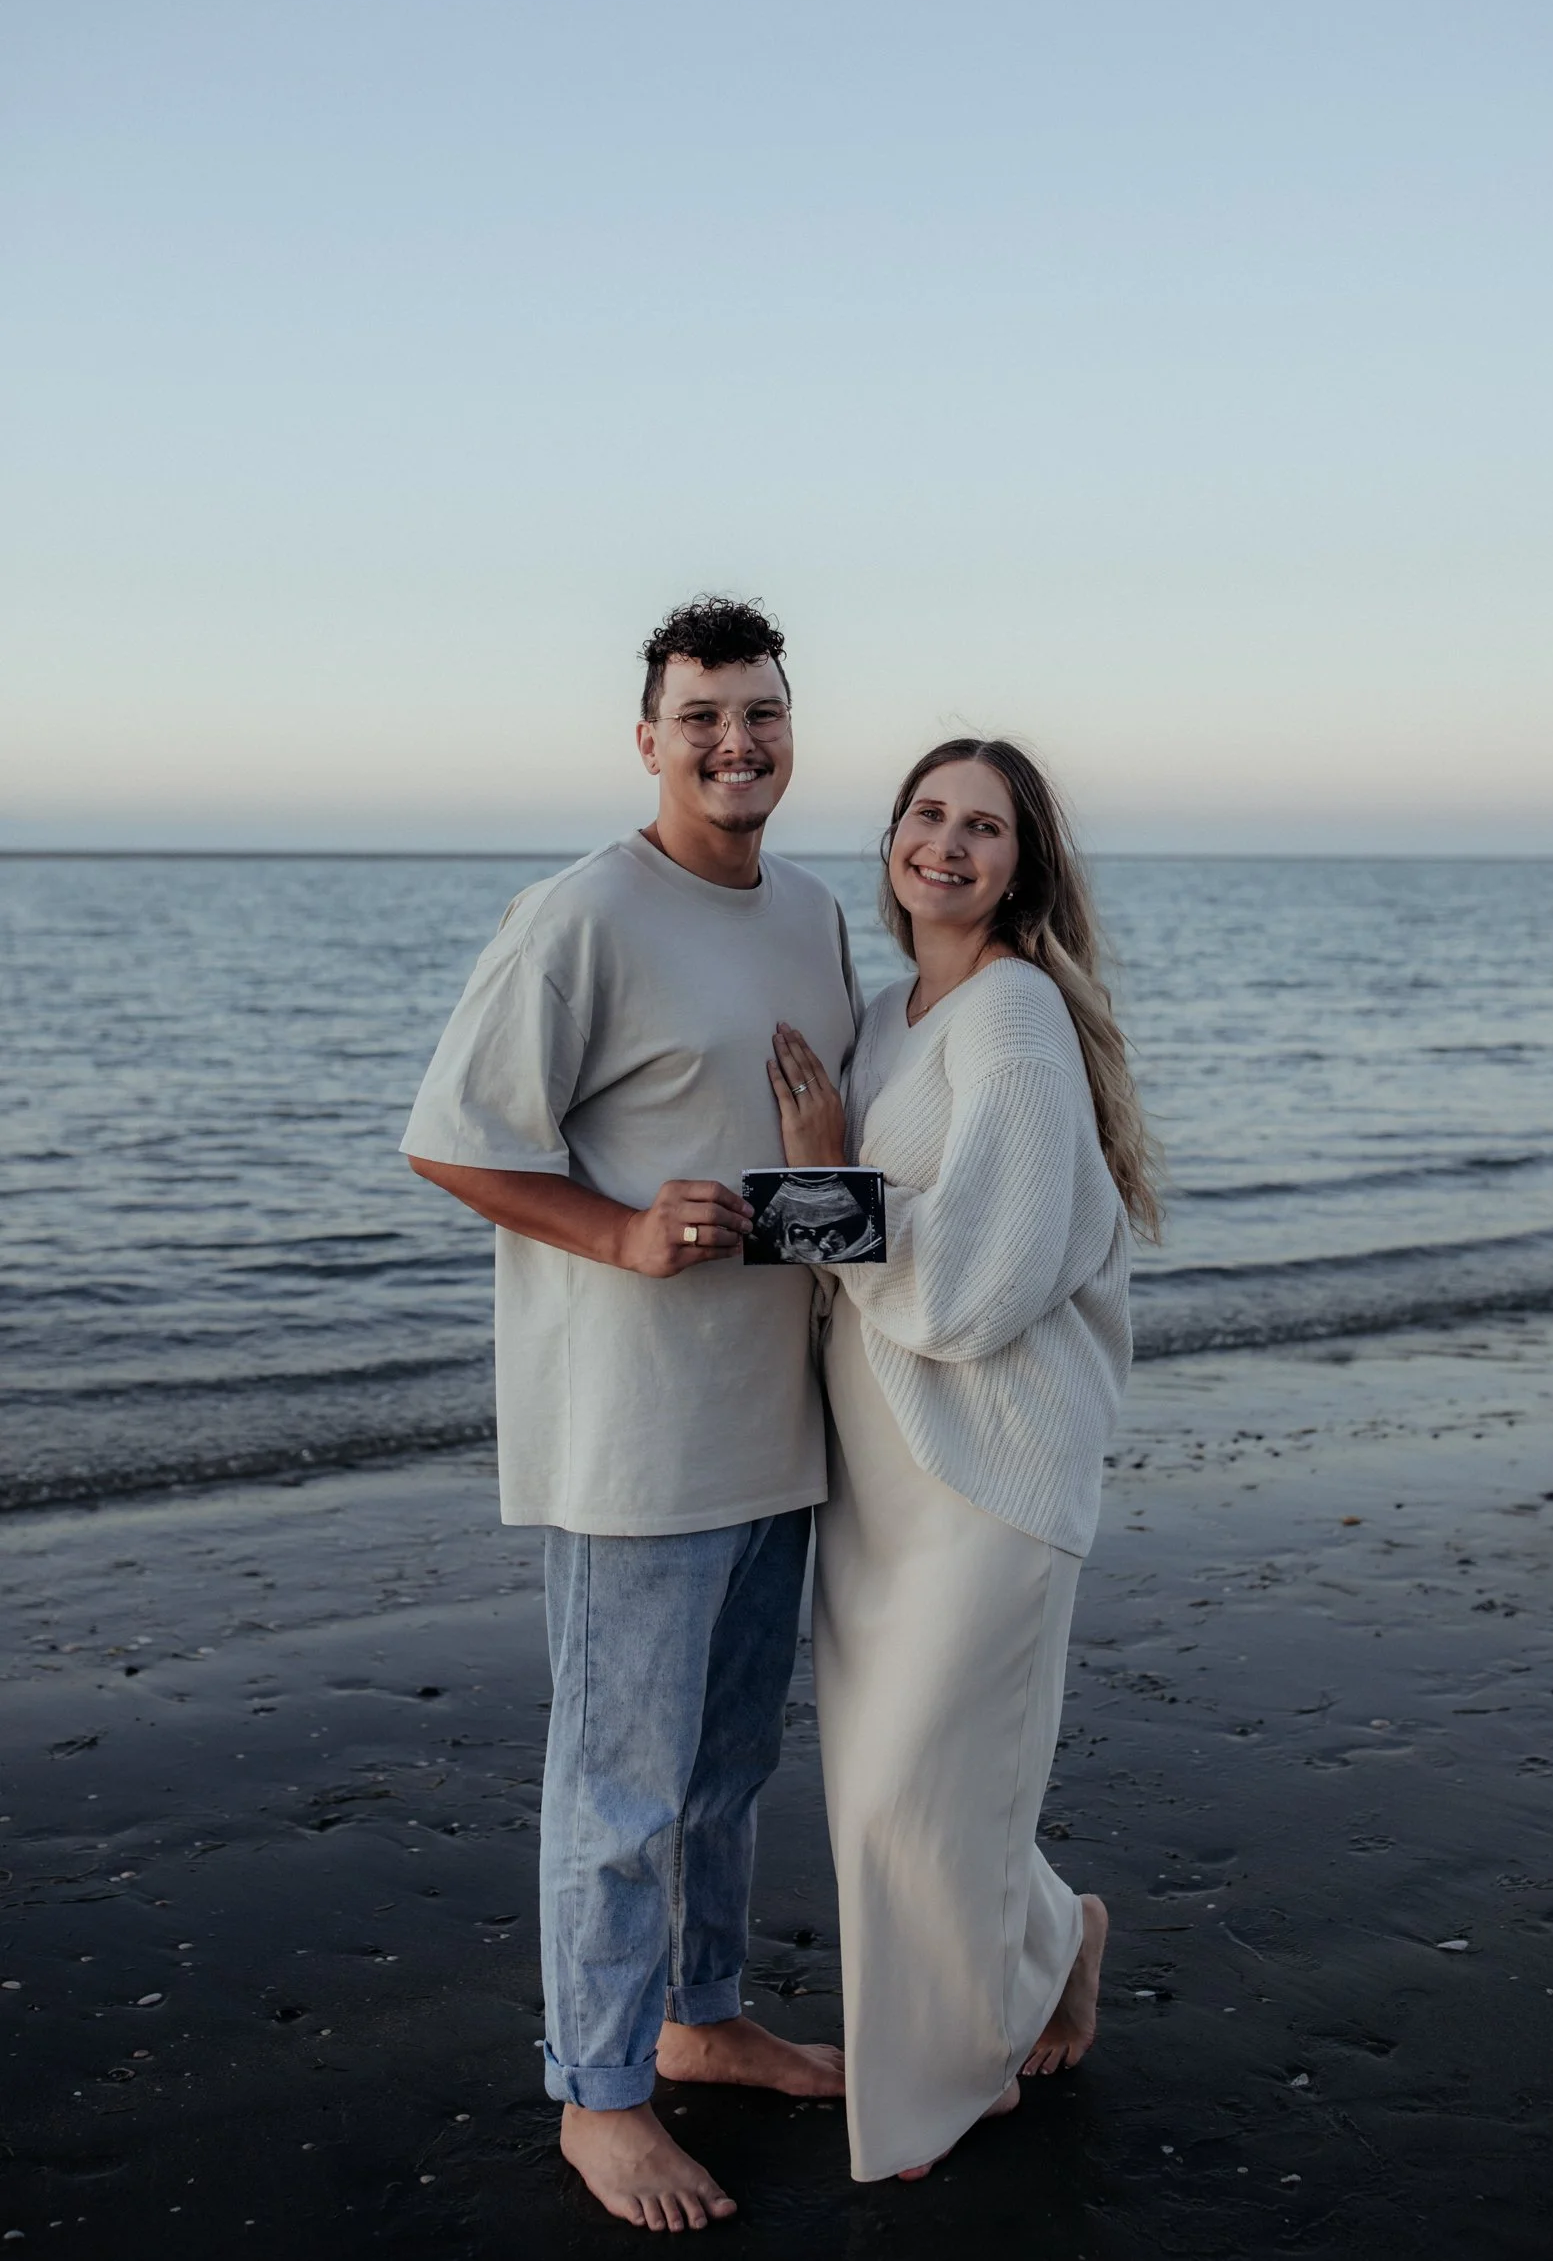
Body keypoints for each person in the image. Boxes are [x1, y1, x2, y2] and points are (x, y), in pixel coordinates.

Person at [402, 598, 859, 2231]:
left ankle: (702, 2018)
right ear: (649, 737)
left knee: (728, 1769)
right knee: (618, 1791)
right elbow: (451, 1136)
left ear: (791, 726)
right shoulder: (582, 912)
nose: (737, 742)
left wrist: (830, 1199)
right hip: (632, 1435)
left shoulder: (812, 911)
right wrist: (613, 1233)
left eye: (763, 713)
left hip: (777, 1420)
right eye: (704, 716)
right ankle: (597, 2100)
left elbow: (805, 1170)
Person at [766, 735, 1162, 2184]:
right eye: (924, 815)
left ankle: (944, 2084)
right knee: (896, 1771)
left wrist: (822, 1182)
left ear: (1022, 863)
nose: (946, 842)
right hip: (880, 1461)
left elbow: (980, 1275)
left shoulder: (1010, 1021)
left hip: (994, 1458)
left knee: (906, 1790)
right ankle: (1055, 1937)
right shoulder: (886, 1017)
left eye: (981, 826)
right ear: (889, 843)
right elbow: (847, 1241)